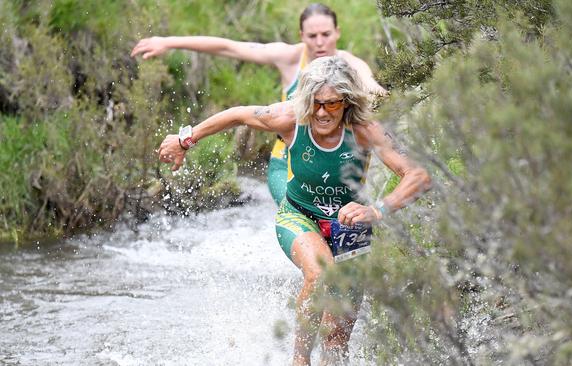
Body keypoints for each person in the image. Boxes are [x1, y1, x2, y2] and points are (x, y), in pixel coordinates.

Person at [157, 56, 431, 365]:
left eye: (332, 104)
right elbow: (238, 115)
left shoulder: (365, 131)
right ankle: (299, 361)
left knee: (336, 344)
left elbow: (419, 175)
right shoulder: (289, 119)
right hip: (299, 215)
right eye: (315, 103)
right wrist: (184, 139)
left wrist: (378, 210)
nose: (322, 113)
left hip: (351, 227)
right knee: (320, 275)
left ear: (348, 102)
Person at [131, 3, 386, 206]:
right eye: (312, 36)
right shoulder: (289, 57)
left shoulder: (351, 65)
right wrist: (169, 42)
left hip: (338, 157)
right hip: (288, 154)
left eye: (326, 35)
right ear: (302, 36)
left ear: (337, 33)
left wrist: (381, 97)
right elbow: (229, 47)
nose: (320, 42)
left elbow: (372, 87)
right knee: (300, 212)